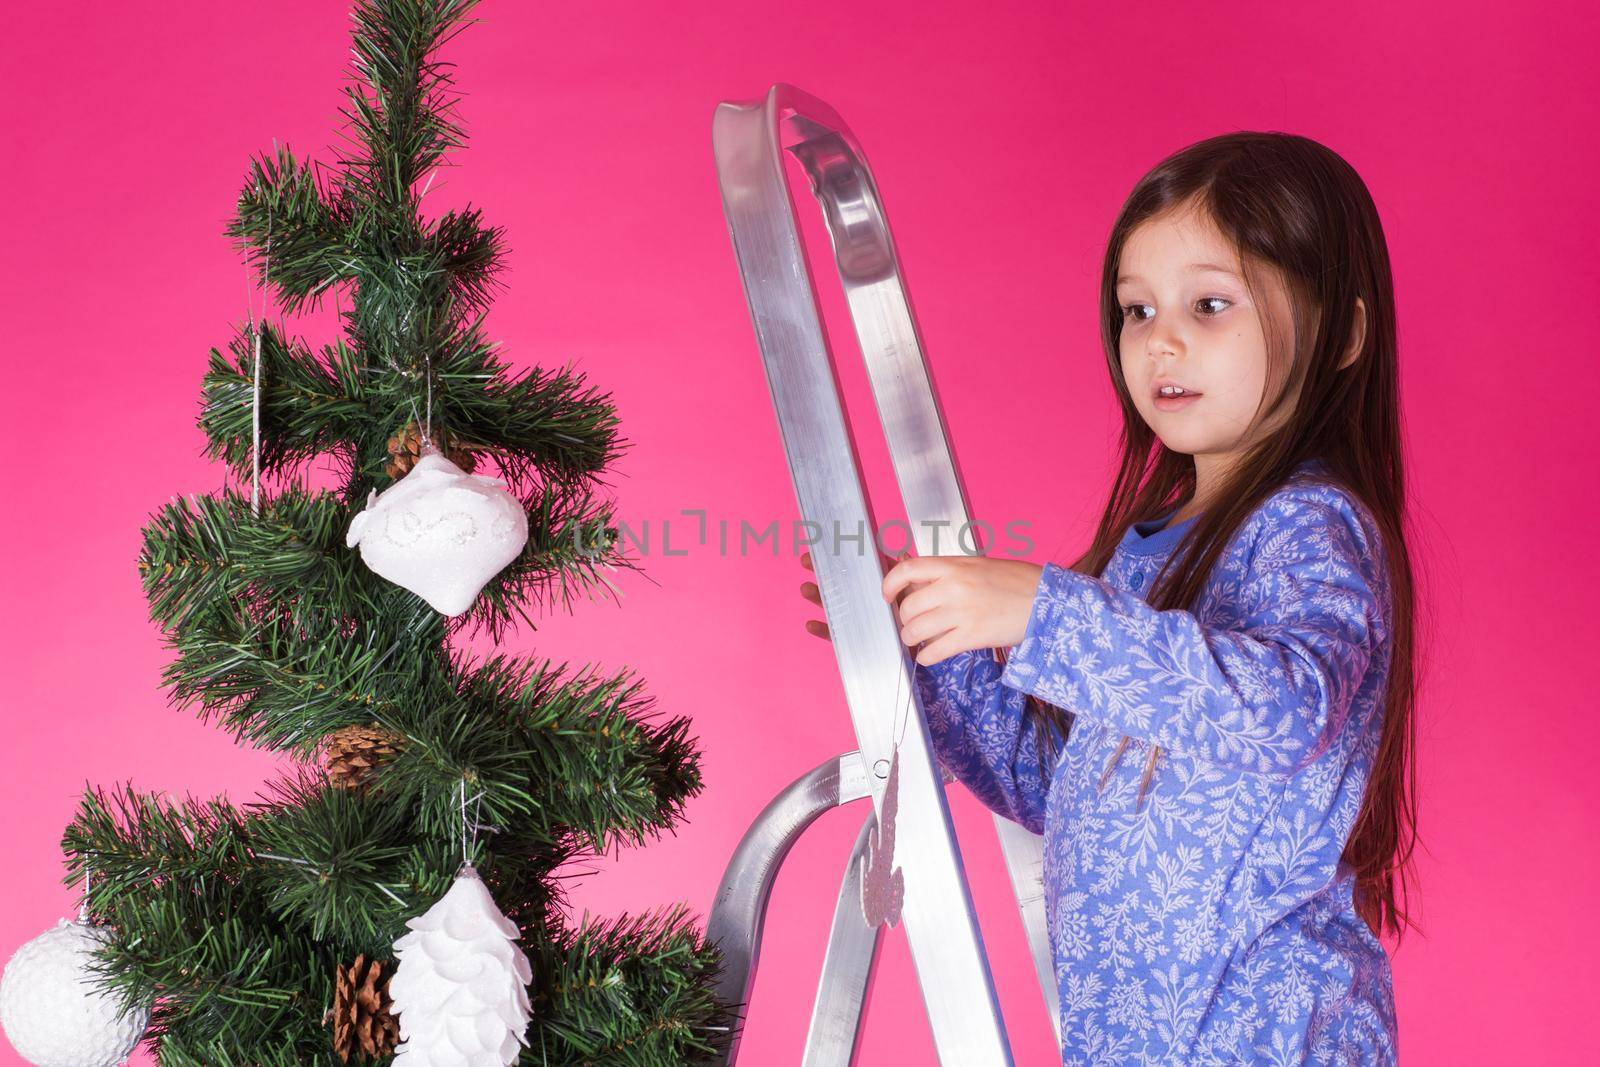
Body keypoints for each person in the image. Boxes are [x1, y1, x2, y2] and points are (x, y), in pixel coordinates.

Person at [799, 131, 1420, 1065]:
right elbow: (1072, 787)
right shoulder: (1153, 553)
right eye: (1136, 310)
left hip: (1267, 1034)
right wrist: (928, 647)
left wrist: (1041, 611)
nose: (1161, 339)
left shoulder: (1312, 526)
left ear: (1344, 335)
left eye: (1210, 304)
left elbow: (1284, 709)